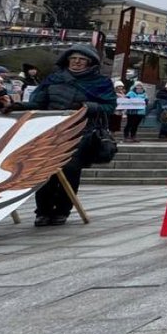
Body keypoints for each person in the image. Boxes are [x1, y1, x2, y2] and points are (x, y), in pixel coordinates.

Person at [15, 45, 117, 226]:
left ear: (90, 63)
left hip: (81, 132)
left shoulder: (100, 82)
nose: (77, 62)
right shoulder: (53, 80)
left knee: (70, 170)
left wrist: (88, 106)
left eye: (82, 59)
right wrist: (16, 107)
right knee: (45, 172)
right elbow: (37, 103)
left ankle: (62, 210)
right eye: (73, 59)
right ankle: (43, 212)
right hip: (51, 132)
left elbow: (109, 107)